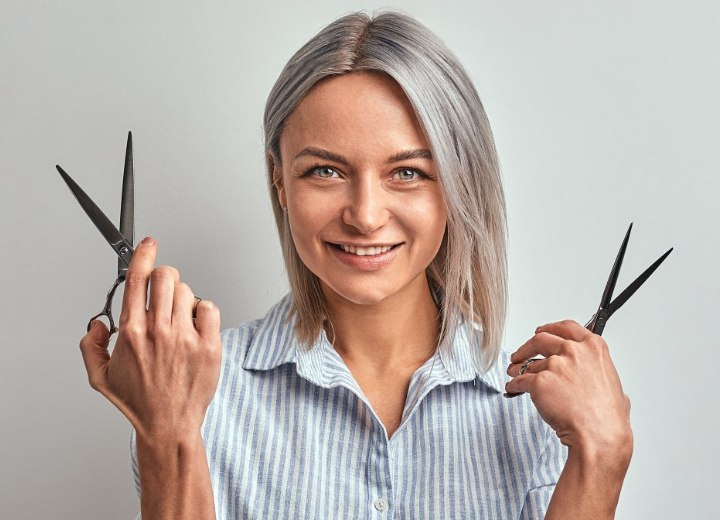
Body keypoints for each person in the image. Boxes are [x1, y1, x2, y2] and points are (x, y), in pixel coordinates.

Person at [79, 11, 632, 519]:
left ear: (460, 185)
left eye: (408, 172)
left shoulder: (546, 415)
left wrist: (602, 458)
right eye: (325, 171)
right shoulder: (192, 395)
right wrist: (168, 433)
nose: (365, 216)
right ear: (280, 182)